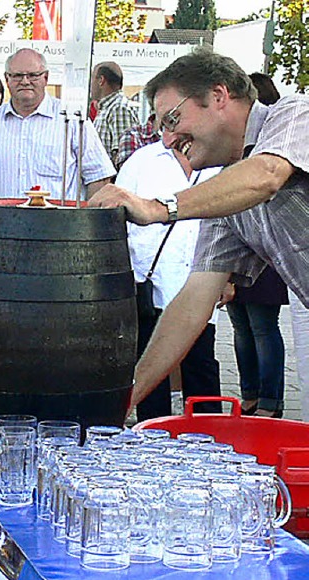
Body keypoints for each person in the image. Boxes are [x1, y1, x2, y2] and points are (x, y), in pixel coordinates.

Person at [88, 48, 309, 415]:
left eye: (172, 119)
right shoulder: (225, 199)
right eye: (160, 127)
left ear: (219, 96)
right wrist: (122, 403)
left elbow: (266, 176)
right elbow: (191, 306)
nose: (169, 139)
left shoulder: (295, 115)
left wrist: (158, 209)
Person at [117, 140, 222, 420]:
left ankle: (210, 435)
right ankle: (153, 435)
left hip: (202, 282)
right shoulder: (142, 161)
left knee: (201, 367)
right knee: (152, 369)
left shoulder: (218, 161)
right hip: (153, 283)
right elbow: (120, 223)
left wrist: (230, 278)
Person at [0, 48, 115, 200]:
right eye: (17, 76)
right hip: (2, 224)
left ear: (46, 77)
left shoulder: (73, 120)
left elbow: (99, 177)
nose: (25, 81)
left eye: (33, 75)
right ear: (7, 79)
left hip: (59, 224)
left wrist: (84, 222)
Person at [224, 73, 288, 418]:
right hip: (245, 259)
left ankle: (267, 400)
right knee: (248, 328)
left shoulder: (269, 151)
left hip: (263, 262)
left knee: (260, 328)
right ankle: (255, 397)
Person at [90, 61, 140, 169]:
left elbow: (125, 158)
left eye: (92, 79)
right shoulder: (107, 109)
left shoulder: (119, 109)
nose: (90, 84)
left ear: (101, 80)